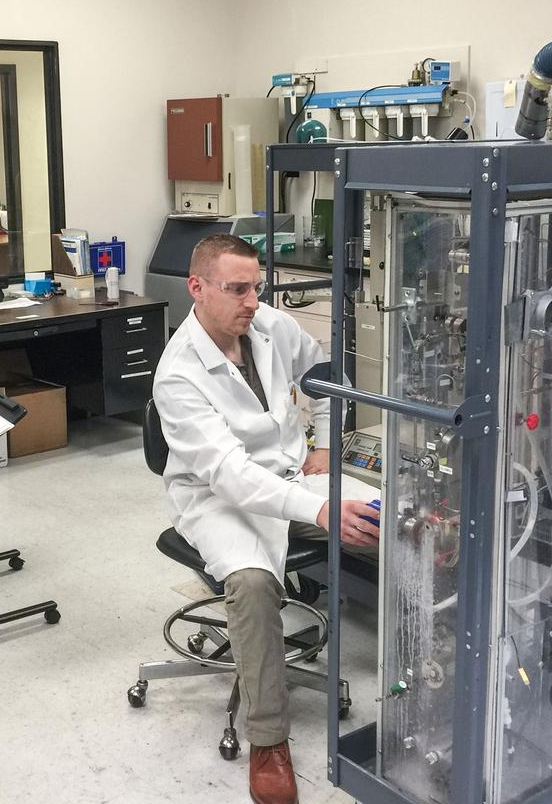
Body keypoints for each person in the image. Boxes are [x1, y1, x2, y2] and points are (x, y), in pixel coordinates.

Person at [153, 234, 379, 804]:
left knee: (395, 522)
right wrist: (322, 508)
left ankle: (442, 675)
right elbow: (229, 475)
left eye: (256, 287)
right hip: (216, 498)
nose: (252, 301)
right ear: (197, 289)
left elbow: (326, 373)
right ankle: (268, 741)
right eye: (237, 289)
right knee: (253, 584)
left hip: (291, 475)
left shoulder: (268, 325)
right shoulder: (178, 374)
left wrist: (325, 445)